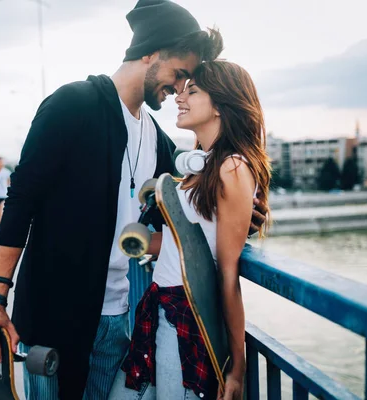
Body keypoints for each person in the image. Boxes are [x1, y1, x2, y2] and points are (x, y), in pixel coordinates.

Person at [0, 1, 266, 398]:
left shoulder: (155, 137)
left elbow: (186, 208)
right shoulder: (72, 104)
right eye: (179, 74)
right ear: (150, 53)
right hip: (55, 318)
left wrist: (243, 208)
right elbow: (21, 201)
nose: (178, 88)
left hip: (117, 316)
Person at [109, 61, 271, 400]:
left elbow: (227, 273)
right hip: (159, 307)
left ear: (221, 105)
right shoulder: (202, 165)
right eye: (181, 90)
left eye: (192, 91)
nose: (179, 98)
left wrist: (236, 369)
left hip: (187, 317)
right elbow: (183, 243)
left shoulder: (233, 167)